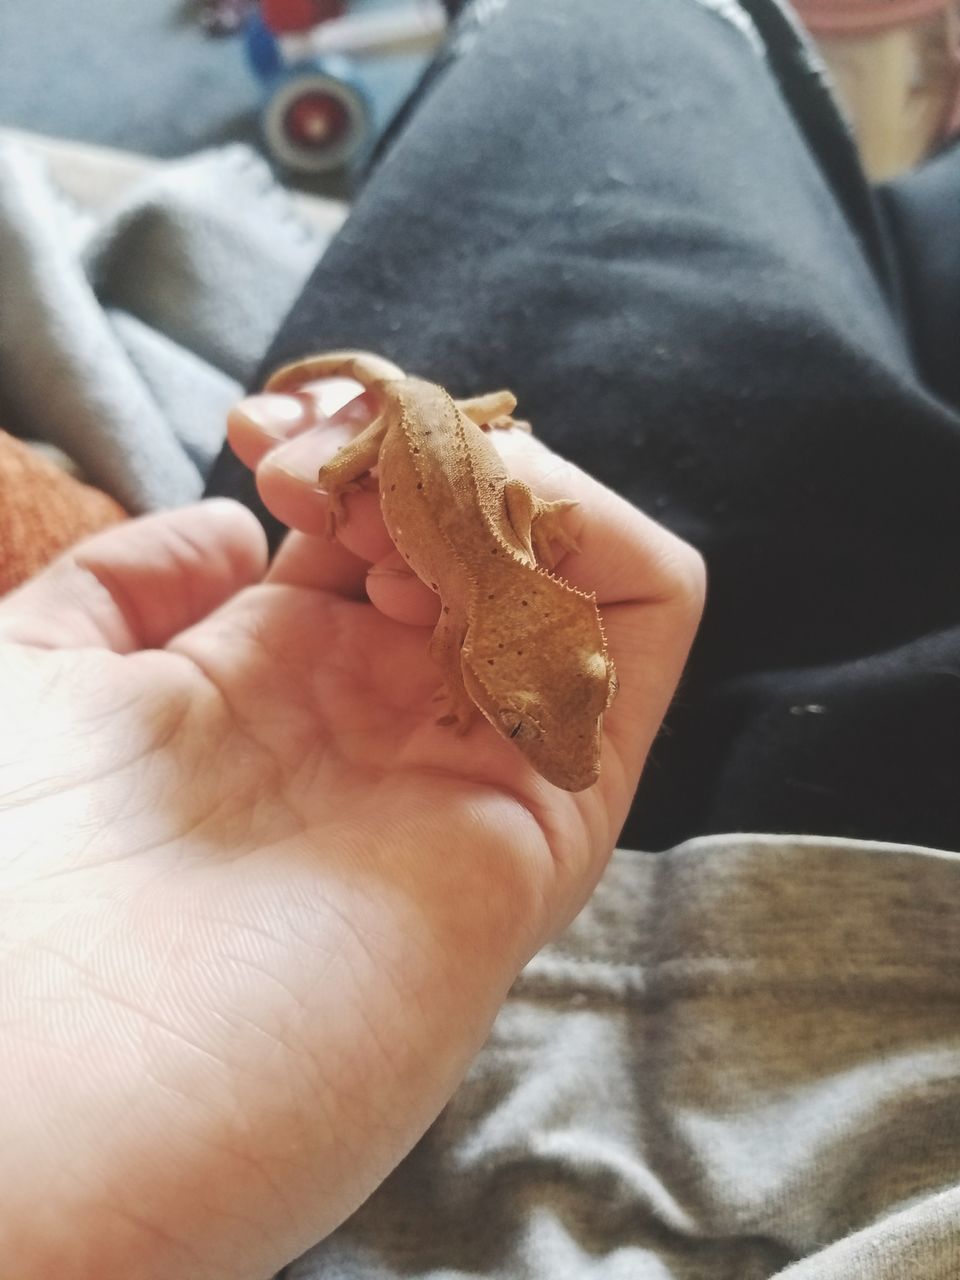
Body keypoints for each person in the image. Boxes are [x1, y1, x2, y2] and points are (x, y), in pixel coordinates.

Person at [2, 1, 959, 1277]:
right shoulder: (471, 605)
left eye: (528, 711)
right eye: (524, 714)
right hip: (427, 432)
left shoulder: (490, 609)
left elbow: (493, 634)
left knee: (625, 39)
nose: (547, 742)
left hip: (458, 438)